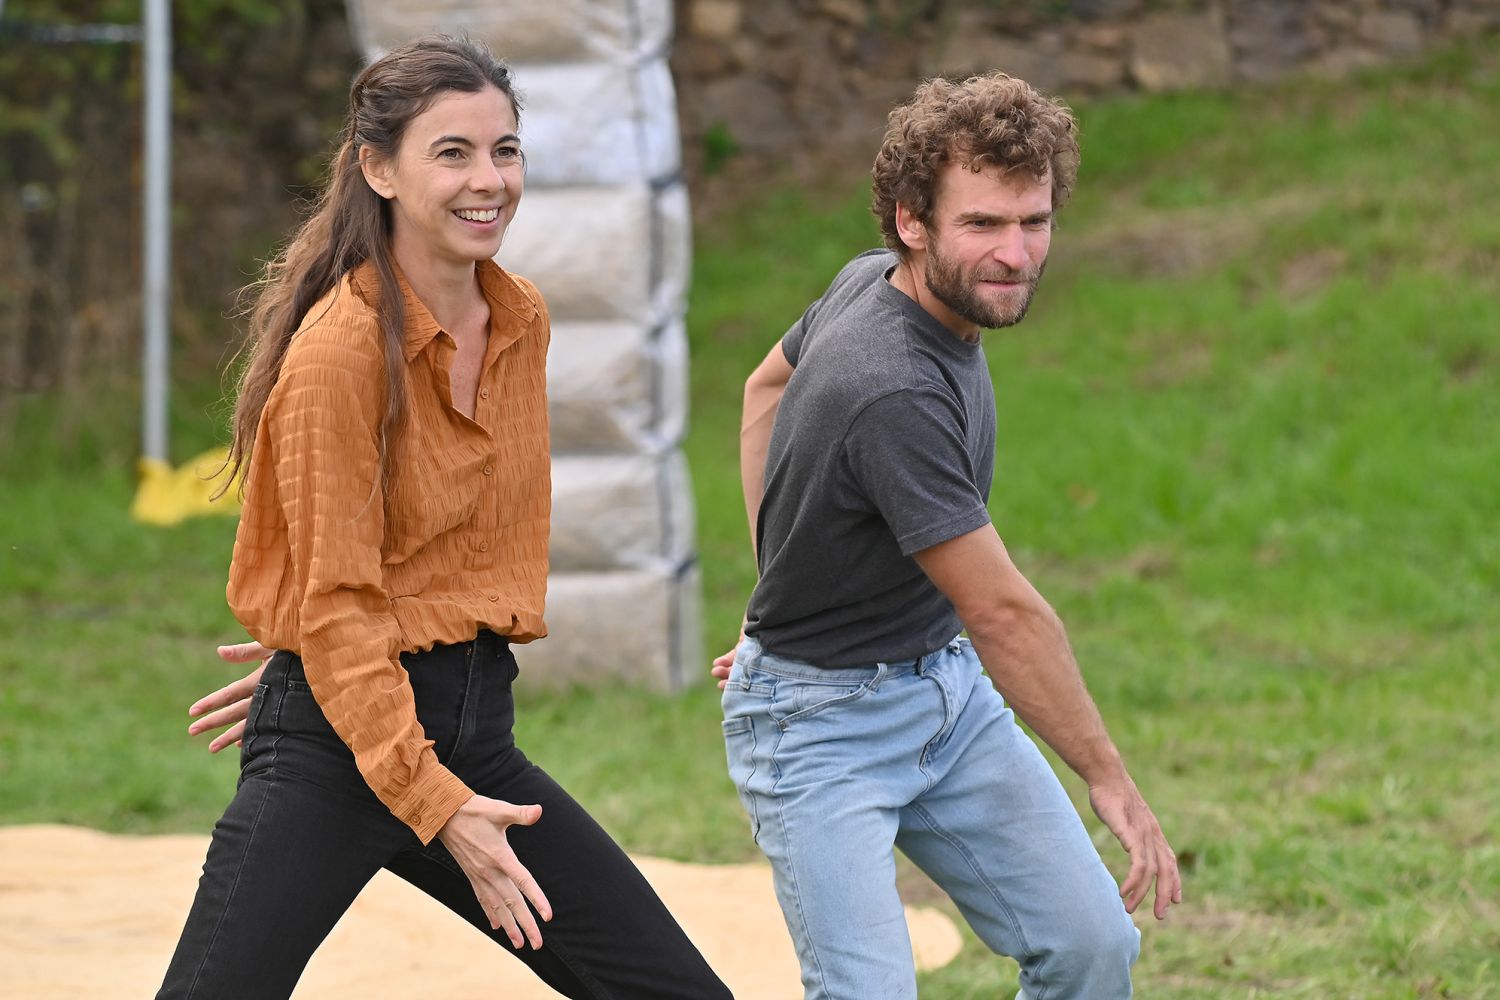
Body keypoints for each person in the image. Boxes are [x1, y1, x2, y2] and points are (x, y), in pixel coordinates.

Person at [157, 35, 729, 1000]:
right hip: (338, 756)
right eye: (452, 153)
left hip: (467, 732)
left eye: (505, 150)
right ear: (379, 170)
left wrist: (340, 659)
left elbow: (446, 552)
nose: (488, 180)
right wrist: (332, 679)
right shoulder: (340, 351)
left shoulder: (519, 320)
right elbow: (339, 601)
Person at [709, 72, 1182, 999]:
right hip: (816, 730)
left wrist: (782, 581)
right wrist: (1110, 779)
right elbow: (1003, 612)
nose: (1015, 253)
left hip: (944, 693)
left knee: (1091, 946)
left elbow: (763, 388)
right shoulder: (892, 388)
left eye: (1034, 221)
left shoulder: (870, 278)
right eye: (983, 224)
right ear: (912, 221)